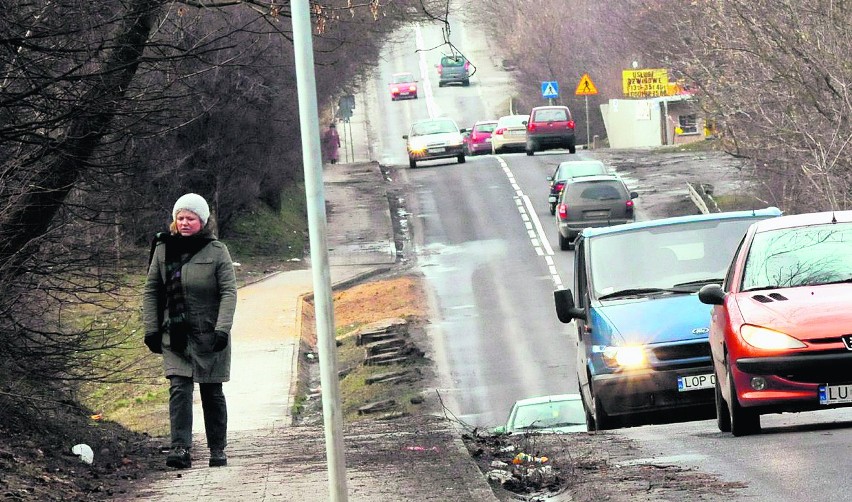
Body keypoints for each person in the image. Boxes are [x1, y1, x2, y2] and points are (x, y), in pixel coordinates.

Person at [142, 193, 237, 469]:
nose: (184, 223)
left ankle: (217, 448)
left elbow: (229, 293)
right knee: (179, 389)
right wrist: (151, 329)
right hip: (175, 333)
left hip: (209, 333)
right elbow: (152, 290)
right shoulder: (163, 249)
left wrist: (222, 329)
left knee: (212, 391)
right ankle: (180, 448)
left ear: (202, 221)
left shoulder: (217, 251)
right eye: (180, 218)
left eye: (190, 218)